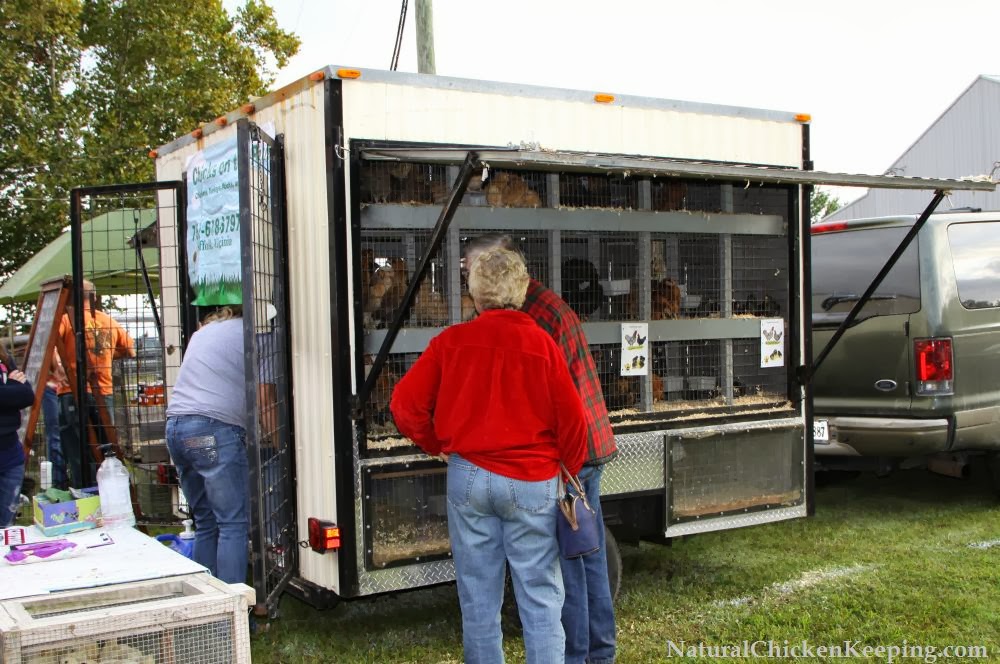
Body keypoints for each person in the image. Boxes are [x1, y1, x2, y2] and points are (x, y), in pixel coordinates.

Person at [390, 247, 588, 664]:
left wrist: (438, 446)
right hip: (532, 478)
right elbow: (574, 422)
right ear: (521, 291)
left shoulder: (450, 342)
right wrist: (565, 469)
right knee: (540, 596)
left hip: (469, 475)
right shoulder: (542, 344)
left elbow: (404, 406)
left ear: (475, 294)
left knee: (478, 596)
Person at [464, 234, 619, 664]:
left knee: (565, 567)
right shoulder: (539, 306)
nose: (475, 280)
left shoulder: (535, 318)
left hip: (571, 455)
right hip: (585, 447)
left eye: (479, 269)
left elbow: (553, 405)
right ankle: (600, 654)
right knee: (588, 558)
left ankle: (578, 655)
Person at [165, 305, 252, 585]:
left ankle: (209, 604)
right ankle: (235, 608)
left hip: (176, 429)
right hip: (212, 432)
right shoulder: (255, 334)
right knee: (232, 524)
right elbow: (265, 393)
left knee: (205, 520)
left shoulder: (203, 333)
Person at [56, 279, 135, 488]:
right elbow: (130, 350)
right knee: (106, 446)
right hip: (103, 391)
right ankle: (110, 492)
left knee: (77, 449)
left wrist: (60, 370)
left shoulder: (65, 320)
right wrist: (107, 357)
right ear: (95, 297)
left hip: (71, 390)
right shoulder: (108, 321)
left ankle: (84, 493)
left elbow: (53, 350)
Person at [0, 345, 35, 527]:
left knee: (6, 527)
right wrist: (13, 386)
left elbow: (27, 395)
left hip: (11, 457)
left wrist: (14, 389)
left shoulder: (4, 357)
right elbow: (18, 391)